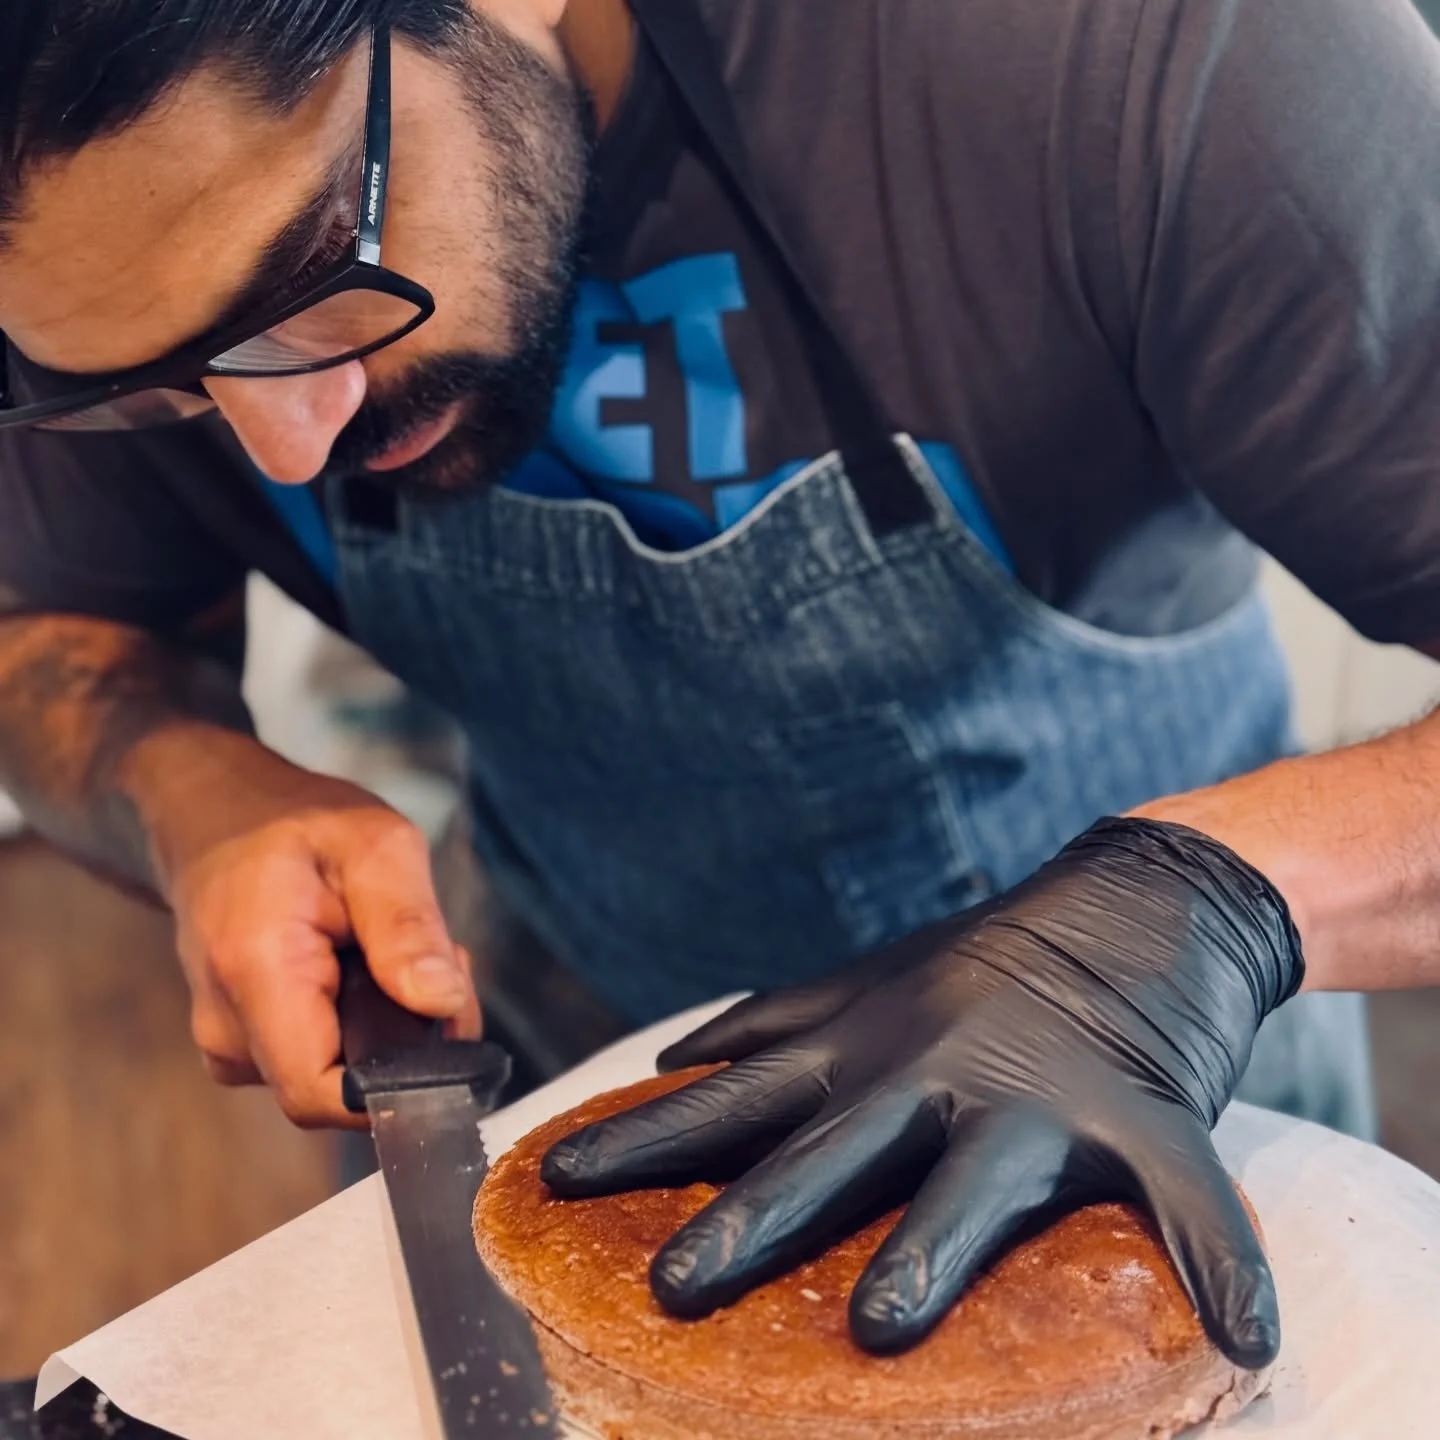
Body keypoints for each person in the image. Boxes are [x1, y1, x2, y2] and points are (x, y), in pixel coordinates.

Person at [0, 0, 1438, 1372]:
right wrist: (182, 789)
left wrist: (1208, 906)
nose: (285, 444)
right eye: (152, 386)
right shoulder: (100, 239)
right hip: (572, 1089)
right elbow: (51, 629)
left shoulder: (1129, 60)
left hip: (1149, 1124)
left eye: (316, 272)